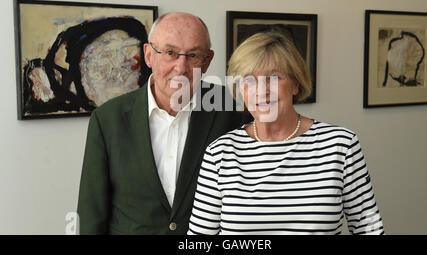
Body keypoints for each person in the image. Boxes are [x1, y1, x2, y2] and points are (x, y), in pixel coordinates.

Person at [188, 32, 384, 235]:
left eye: (274, 78)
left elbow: (369, 227)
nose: (261, 91)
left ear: (295, 84)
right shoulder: (219, 153)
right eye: (249, 80)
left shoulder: (341, 145)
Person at [77, 12, 250, 234]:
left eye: (193, 55)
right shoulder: (108, 119)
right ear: (148, 55)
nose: (181, 67)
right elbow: (91, 214)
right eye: (170, 53)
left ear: (207, 61)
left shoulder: (232, 110)